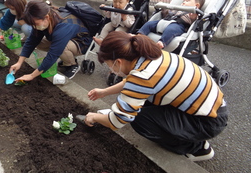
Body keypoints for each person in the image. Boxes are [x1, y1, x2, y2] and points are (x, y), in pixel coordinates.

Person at [84, 31, 228, 161]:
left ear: (119, 62)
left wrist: (94, 117)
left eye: (110, 65)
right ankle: (188, 134)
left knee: (139, 120)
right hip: (213, 108)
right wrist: (104, 92)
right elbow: (133, 81)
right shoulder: (147, 55)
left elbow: (118, 121)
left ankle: (197, 148)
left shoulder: (143, 77)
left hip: (208, 122)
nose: (112, 70)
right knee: (139, 105)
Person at [10, 0, 92, 80]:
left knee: (62, 48)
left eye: (35, 24)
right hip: (67, 38)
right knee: (39, 43)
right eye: (32, 25)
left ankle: (72, 65)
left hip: (82, 42)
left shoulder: (64, 26)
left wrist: (32, 75)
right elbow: (31, 41)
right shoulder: (44, 19)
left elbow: (53, 54)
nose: (34, 27)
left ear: (46, 17)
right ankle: (67, 58)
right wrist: (19, 62)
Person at [138, 0, 205, 48]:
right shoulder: (178, 9)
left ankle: (162, 42)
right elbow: (167, 14)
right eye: (184, 0)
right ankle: (139, 35)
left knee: (171, 30)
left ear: (196, 5)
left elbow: (194, 21)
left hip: (179, 25)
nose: (184, 2)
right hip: (165, 22)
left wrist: (194, 14)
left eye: (187, 1)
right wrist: (163, 8)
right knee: (149, 24)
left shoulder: (193, 13)